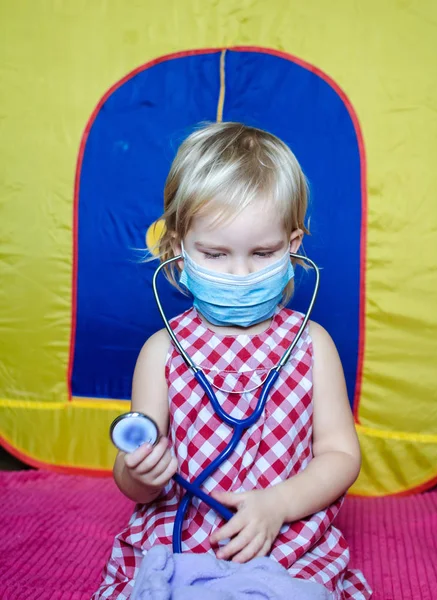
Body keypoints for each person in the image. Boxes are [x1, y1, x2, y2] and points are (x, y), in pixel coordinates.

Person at [93, 122, 372, 599]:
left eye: (262, 253)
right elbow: (135, 474)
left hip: (282, 540)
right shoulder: (160, 353)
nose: (240, 273)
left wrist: (278, 504)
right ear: (179, 247)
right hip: (183, 542)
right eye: (216, 253)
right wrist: (138, 474)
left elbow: (341, 456)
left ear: (292, 245)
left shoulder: (312, 346)